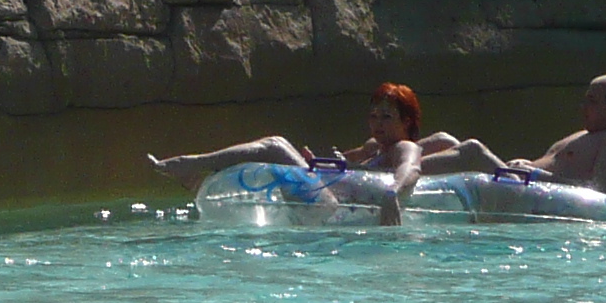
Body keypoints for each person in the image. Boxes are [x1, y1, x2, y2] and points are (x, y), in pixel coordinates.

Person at [149, 84, 430, 222]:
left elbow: (411, 169)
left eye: (386, 117)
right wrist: (315, 165)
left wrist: (393, 192)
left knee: (275, 146)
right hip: (333, 204)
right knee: (277, 156)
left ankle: (193, 163)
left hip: (333, 210)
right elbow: (346, 174)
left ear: (406, 122)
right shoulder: (372, 150)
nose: (377, 123)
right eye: (373, 116)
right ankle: (202, 180)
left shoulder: (404, 147)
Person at [420, 74, 606, 194]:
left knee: (472, 150)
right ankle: (389, 159)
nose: (583, 107)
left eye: (592, 102)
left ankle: (393, 174)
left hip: (532, 189)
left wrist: (533, 174)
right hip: (519, 181)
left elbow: (601, 191)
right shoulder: (585, 135)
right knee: (443, 140)